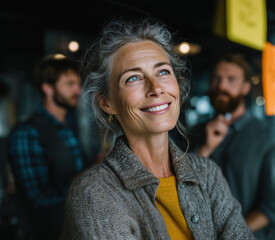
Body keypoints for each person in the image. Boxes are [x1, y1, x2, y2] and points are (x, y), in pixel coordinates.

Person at [59, 18, 254, 240]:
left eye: (162, 72)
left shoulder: (207, 173)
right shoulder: (94, 193)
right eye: (133, 78)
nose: (156, 88)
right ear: (107, 102)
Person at [188, 53, 275, 239]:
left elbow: (271, 208)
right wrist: (205, 150)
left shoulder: (267, 137)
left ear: (246, 88)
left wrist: (230, 236)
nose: (222, 86)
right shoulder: (195, 132)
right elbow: (183, 190)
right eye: (217, 78)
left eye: (231, 80)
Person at [6, 57, 91, 239]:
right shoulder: (26, 133)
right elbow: (39, 198)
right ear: (47, 88)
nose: (78, 90)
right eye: (70, 84)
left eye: (78, 83)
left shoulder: (71, 125)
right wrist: (90, 176)